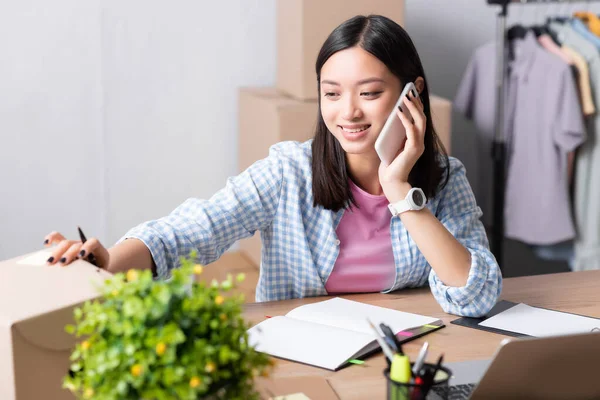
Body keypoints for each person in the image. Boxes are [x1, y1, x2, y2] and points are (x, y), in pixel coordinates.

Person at [43, 15, 501, 317]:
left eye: (369, 93)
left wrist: (401, 192)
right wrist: (109, 263)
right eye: (332, 93)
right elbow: (192, 229)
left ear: (411, 94)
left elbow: (476, 294)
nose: (348, 113)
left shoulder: (444, 178)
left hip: (399, 363)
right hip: (302, 359)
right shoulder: (289, 172)